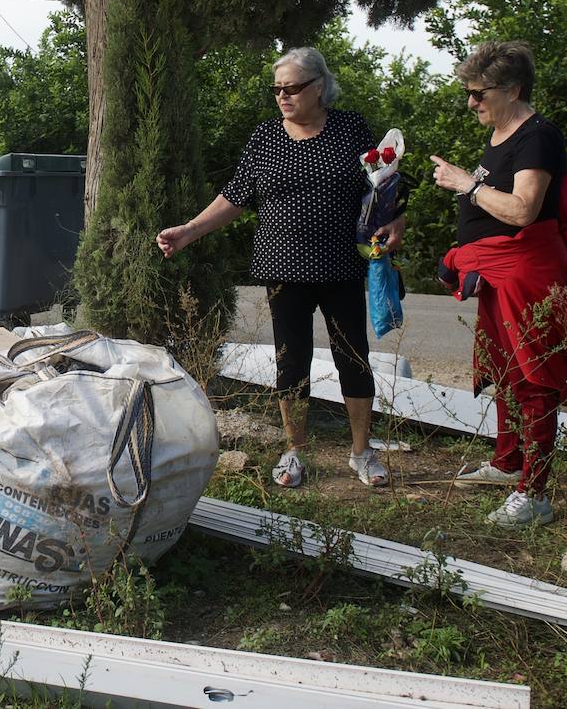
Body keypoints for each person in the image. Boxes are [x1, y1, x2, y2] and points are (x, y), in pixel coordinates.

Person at [157, 47, 403, 489]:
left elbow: (379, 186)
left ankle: (362, 452)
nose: (283, 96)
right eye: (277, 89)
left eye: (292, 87)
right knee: (291, 362)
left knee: (354, 358)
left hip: (342, 266)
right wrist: (190, 230)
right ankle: (295, 451)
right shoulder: (266, 137)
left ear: (320, 87)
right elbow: (236, 195)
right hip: (283, 269)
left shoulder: (350, 128)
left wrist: (394, 219)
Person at [429, 41, 567, 529]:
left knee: (535, 379)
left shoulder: (537, 137)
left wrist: (466, 185)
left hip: (526, 271)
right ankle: (508, 463)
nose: (471, 103)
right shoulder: (502, 134)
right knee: (506, 372)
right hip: (499, 273)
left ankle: (535, 494)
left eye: (479, 93)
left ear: (513, 89)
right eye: (469, 93)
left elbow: (522, 209)